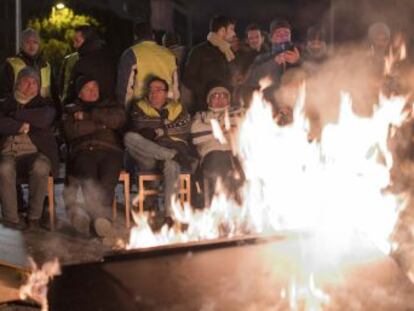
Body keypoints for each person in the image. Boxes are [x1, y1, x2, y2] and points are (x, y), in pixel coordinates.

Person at [63, 76, 125, 238]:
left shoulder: (110, 104)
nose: (92, 91)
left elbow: (117, 120)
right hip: (83, 151)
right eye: (87, 88)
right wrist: (102, 124)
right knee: (89, 180)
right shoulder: (71, 108)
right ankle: (102, 221)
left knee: (107, 182)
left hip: (111, 150)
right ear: (79, 93)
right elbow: (72, 131)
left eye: (95, 88)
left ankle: (96, 222)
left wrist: (87, 116)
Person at [124, 77, 194, 220]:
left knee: (172, 165)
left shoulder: (177, 107)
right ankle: (169, 155)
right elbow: (140, 123)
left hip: (174, 147)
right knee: (129, 137)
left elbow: (184, 126)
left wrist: (161, 130)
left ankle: (170, 215)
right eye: (150, 90)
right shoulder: (139, 106)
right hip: (149, 155)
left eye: (158, 90)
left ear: (166, 93)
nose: (153, 93)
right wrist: (169, 125)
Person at [0, 68, 58, 230]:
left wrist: (15, 114)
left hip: (34, 153)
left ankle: (34, 218)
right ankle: (11, 219)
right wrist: (19, 126)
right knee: (3, 168)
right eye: (26, 81)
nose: (30, 85)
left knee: (41, 166)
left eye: (34, 83)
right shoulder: (5, 102)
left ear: (38, 86)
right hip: (7, 153)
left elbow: (45, 118)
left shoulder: (44, 103)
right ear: (18, 83)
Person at [191, 83, 244, 204]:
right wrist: (225, 130)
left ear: (229, 100)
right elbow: (196, 135)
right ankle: (220, 206)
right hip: (211, 153)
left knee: (242, 170)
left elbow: (245, 130)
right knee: (219, 165)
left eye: (223, 96)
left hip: (235, 153)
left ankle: (239, 209)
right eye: (215, 96)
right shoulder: (202, 115)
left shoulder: (238, 112)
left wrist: (213, 130)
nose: (220, 98)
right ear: (208, 101)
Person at [117, 21, 179, 108]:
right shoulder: (169, 54)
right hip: (167, 105)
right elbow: (176, 84)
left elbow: (124, 87)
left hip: (141, 107)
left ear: (135, 36)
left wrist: (124, 108)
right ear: (153, 35)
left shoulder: (131, 54)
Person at [183, 14, 236, 113]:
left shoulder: (228, 51)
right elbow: (187, 78)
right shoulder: (199, 51)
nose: (234, 33)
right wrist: (209, 92)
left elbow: (231, 77)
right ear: (222, 31)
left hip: (226, 106)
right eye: (232, 29)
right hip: (204, 107)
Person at [244, 19, 301, 107]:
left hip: (295, 107)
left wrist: (298, 62)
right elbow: (251, 80)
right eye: (278, 34)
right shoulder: (262, 58)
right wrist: (274, 62)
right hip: (269, 108)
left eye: (286, 33)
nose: (283, 36)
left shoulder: (300, 54)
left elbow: (314, 78)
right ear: (272, 38)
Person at [64, 25, 117, 105]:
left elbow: (72, 92)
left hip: (88, 110)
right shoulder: (111, 57)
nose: (74, 45)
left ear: (88, 40)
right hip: (110, 109)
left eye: (77, 41)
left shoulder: (82, 63)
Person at [0, 28, 51, 98]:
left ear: (39, 45)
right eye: (27, 42)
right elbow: (3, 92)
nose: (31, 45)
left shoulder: (45, 65)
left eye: (35, 42)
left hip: (42, 107)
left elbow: (53, 93)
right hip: (18, 107)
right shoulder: (11, 65)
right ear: (21, 44)